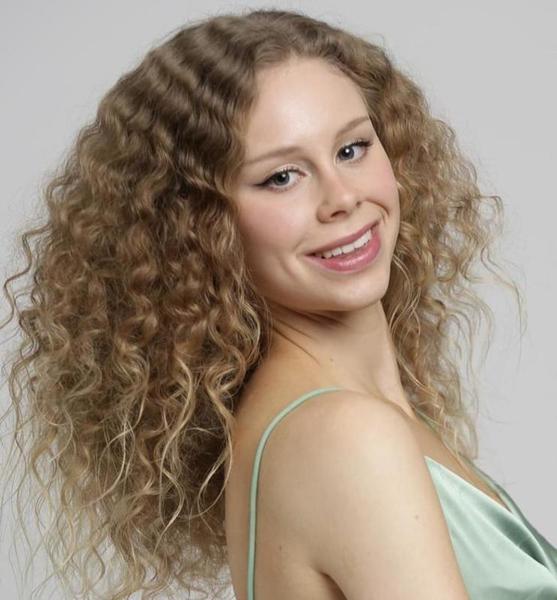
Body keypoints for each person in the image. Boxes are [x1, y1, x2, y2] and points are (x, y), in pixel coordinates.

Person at [1, 7, 555, 600]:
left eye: (352, 149)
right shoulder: (344, 437)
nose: (342, 198)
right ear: (200, 226)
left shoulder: (341, 420)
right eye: (282, 177)